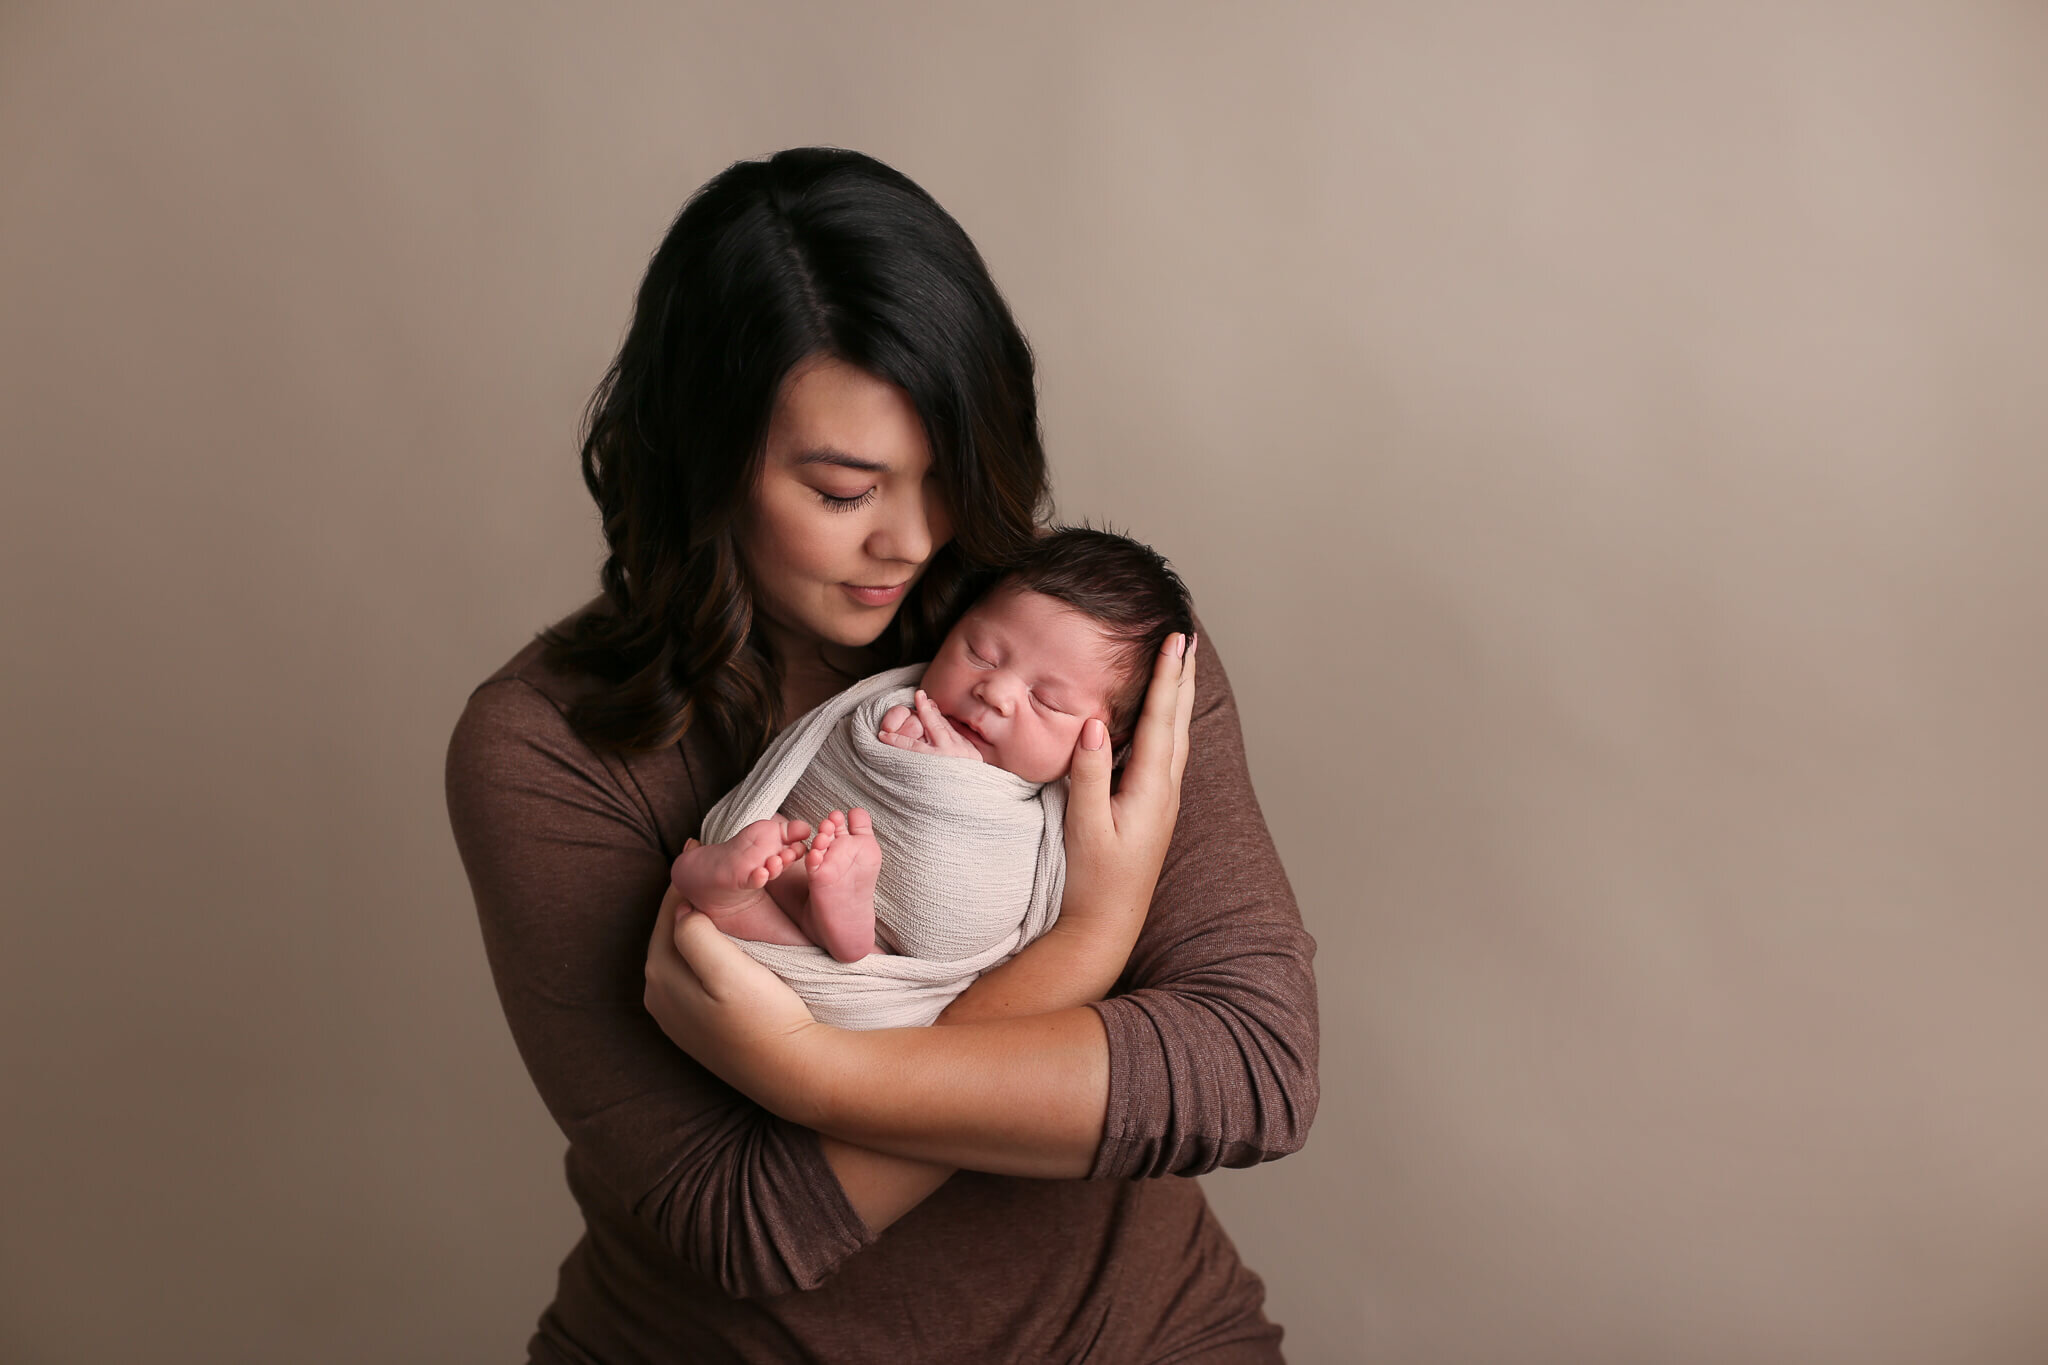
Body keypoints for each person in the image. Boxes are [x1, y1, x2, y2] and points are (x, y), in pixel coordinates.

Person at [445, 147, 1319, 1364]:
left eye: (943, 471)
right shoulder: (547, 748)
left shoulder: (1081, 651)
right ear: (707, 460)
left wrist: (806, 1076)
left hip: (1140, 1338)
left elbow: (1249, 1069)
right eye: (843, 488)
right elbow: (745, 1222)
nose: (911, 539)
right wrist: (1085, 950)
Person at [675, 528, 1195, 993]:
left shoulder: (1073, 810)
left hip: (895, 970)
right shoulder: (904, 710)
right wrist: (911, 759)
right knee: (788, 864)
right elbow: (840, 754)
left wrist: (958, 781)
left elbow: (1019, 911)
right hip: (797, 862)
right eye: (981, 654)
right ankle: (781, 905)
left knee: (863, 964)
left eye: (1048, 702)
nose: (995, 691)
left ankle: (795, 913)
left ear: (1112, 741)